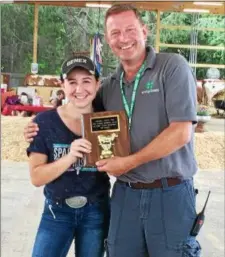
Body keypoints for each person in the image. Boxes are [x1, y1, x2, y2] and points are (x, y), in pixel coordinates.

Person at [24, 4, 201, 257]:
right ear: (108, 40)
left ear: (144, 30)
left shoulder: (171, 67)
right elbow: (77, 105)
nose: (123, 38)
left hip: (168, 192)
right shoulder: (109, 86)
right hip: (125, 195)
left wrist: (129, 162)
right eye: (115, 33)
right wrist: (37, 127)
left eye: (130, 29)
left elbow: (181, 132)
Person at [26, 55, 110, 257]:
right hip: (57, 211)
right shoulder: (45, 122)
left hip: (96, 211)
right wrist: (70, 156)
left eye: (86, 81)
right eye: (72, 82)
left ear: (97, 84)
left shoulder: (107, 120)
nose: (79, 90)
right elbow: (36, 178)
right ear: (62, 85)